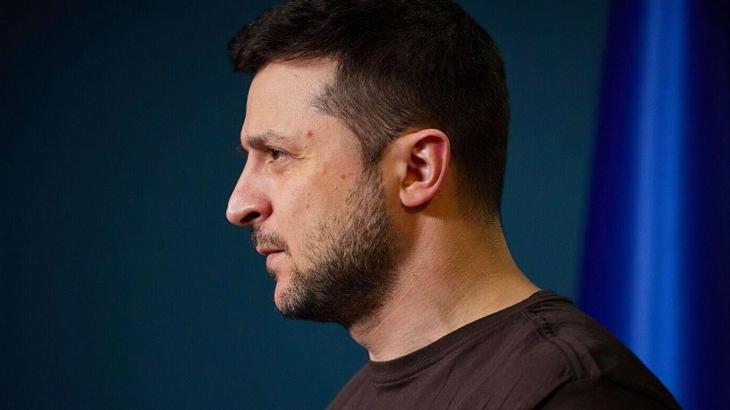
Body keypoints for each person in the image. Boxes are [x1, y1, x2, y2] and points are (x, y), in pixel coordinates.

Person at [224, 1, 681, 408]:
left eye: (277, 154)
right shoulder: (354, 400)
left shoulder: (573, 395)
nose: (239, 205)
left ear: (418, 169)